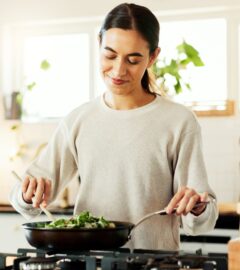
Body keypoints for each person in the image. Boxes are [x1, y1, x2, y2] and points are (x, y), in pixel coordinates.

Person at [10, 3, 218, 250]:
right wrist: (28, 194)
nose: (118, 70)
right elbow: (23, 200)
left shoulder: (179, 121)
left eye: (133, 59)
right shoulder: (79, 120)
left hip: (154, 264)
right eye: (109, 55)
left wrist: (197, 206)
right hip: (89, 262)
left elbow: (202, 222)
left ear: (152, 57)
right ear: (99, 44)